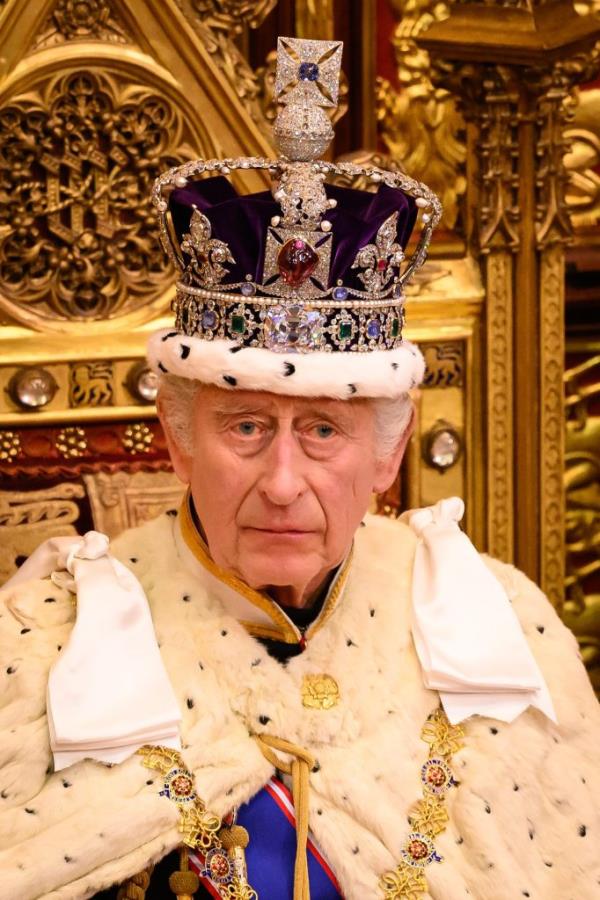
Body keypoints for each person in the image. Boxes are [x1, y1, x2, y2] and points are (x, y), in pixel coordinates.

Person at [1, 36, 599, 900]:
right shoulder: (48, 643)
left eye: (324, 431)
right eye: (245, 426)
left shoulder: (502, 629)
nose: (283, 481)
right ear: (176, 438)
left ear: (390, 453)